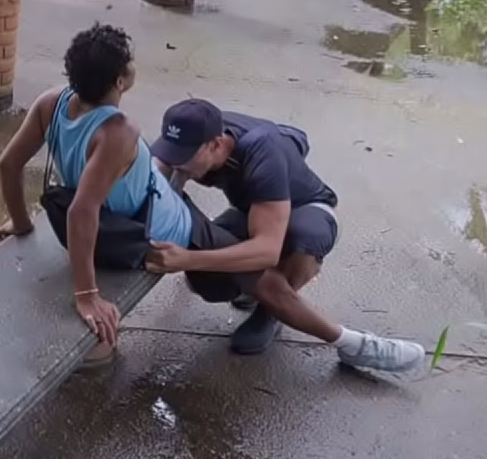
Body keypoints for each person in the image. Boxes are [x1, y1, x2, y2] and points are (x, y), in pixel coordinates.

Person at [146, 99, 426, 374]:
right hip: (253, 209)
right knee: (207, 281)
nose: (175, 163)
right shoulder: (197, 133)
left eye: (183, 158)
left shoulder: (262, 151)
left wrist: (189, 258)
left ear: (216, 145)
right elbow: (162, 177)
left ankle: (273, 313)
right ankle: (261, 294)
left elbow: (267, 250)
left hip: (306, 209)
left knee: (299, 239)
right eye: (171, 152)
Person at [0, 23, 194, 360]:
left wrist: (21, 222)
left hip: (116, 206)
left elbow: (8, 165)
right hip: (149, 230)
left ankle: (179, 179)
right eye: (129, 61)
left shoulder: (51, 103)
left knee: (159, 169)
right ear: (119, 81)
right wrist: (86, 295)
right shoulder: (118, 130)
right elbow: (82, 211)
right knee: (207, 231)